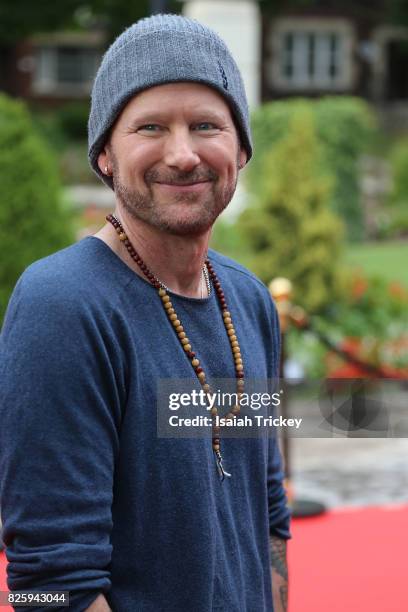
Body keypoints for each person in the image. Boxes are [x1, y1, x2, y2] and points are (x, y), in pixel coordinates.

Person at [0, 14, 291, 612]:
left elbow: (267, 513)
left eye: (207, 125)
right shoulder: (64, 305)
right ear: (105, 153)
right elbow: (48, 584)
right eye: (150, 126)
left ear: (240, 148)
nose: (183, 155)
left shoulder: (250, 301)